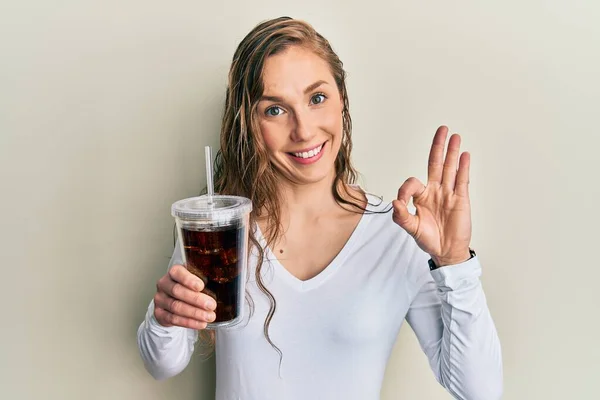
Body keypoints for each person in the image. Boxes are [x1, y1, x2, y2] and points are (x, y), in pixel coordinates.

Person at [137, 16, 503, 400]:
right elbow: (162, 364)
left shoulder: (399, 231)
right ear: (248, 124)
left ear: (341, 99)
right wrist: (164, 317)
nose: (304, 130)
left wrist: (455, 261)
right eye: (275, 110)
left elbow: (481, 392)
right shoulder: (221, 231)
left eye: (317, 98)